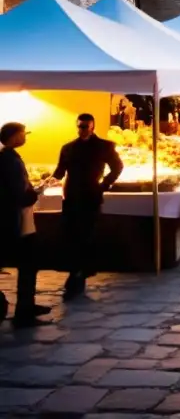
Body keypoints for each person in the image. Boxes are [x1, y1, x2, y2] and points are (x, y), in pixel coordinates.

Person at [51, 113, 123, 299]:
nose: (81, 130)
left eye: (85, 126)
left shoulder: (104, 146)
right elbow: (60, 171)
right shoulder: (68, 148)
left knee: (86, 235)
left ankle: (78, 274)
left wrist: (104, 185)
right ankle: (76, 272)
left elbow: (117, 166)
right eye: (79, 126)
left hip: (91, 194)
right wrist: (48, 180)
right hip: (71, 195)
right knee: (71, 235)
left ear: (92, 127)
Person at [0, 122, 50, 327]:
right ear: (13, 137)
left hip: (15, 219)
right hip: (17, 221)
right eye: (23, 133)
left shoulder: (6, 157)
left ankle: (27, 305)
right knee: (28, 264)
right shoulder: (10, 160)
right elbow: (19, 193)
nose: (25, 137)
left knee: (28, 264)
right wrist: (35, 193)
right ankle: (24, 311)